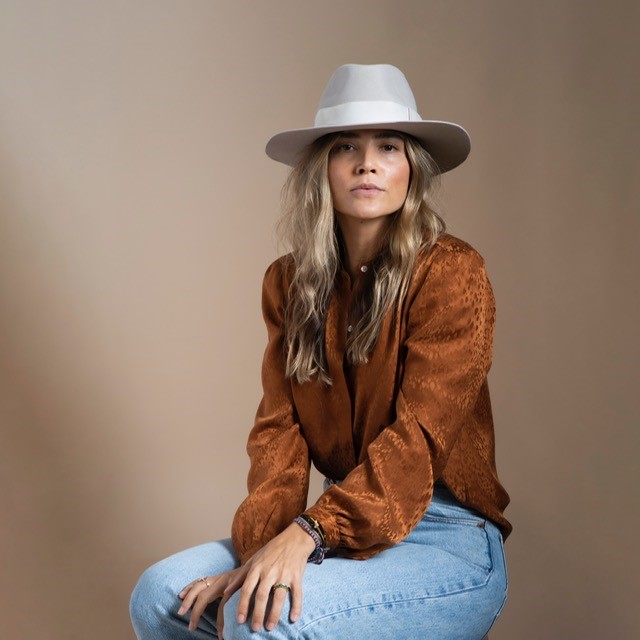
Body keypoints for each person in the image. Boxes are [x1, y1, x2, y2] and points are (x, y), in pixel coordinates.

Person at [129, 63, 512, 640]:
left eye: (388, 146)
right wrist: (264, 551)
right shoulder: (289, 283)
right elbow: (277, 437)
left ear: (411, 168)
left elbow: (419, 440)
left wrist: (308, 534)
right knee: (160, 597)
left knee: (261, 620)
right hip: (335, 527)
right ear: (322, 169)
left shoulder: (451, 272)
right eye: (345, 147)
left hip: (444, 535)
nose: (367, 163)